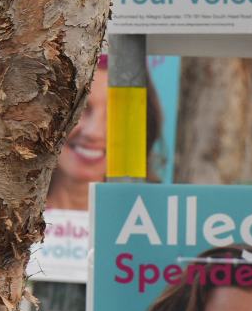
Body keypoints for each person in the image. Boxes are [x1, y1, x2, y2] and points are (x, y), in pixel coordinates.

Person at [47, 61, 166, 212]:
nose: (94, 132)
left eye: (116, 114)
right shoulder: (12, 222)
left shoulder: (156, 227)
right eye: (80, 108)